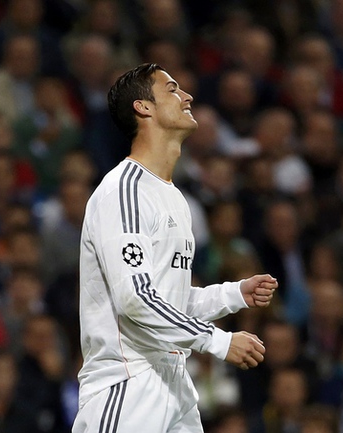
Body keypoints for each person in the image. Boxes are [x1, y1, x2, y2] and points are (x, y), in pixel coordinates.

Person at [72, 63, 278, 433]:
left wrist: (233, 294)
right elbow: (136, 299)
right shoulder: (124, 191)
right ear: (143, 108)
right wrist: (217, 341)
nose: (187, 96)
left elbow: (169, 300)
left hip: (175, 383)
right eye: (172, 89)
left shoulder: (174, 198)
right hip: (128, 383)